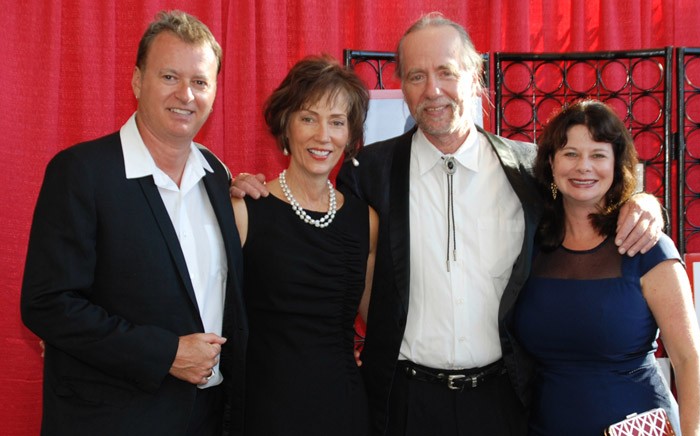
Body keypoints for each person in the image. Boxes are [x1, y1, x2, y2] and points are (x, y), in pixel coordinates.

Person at [231, 12, 665, 436]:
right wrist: (247, 190)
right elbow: (312, 227)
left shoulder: (528, 170)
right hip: (403, 402)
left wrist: (643, 202)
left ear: (475, 76)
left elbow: (592, 193)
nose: (432, 89)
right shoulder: (370, 172)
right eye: (416, 76)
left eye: (446, 71)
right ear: (401, 87)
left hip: (504, 401)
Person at [20, 10, 247, 436]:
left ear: (214, 92)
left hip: (207, 419)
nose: (186, 94)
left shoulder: (218, 177)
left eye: (200, 81)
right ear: (138, 81)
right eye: (169, 77)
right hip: (110, 420)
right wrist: (166, 353)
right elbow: (47, 304)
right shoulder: (82, 172)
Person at [513, 100, 700, 436]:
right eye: (570, 153)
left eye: (598, 154)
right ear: (551, 162)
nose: (583, 166)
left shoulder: (648, 247)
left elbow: (689, 362)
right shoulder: (531, 246)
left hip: (639, 428)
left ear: (617, 164)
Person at [231, 55, 377, 435]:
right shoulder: (245, 210)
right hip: (265, 410)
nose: (322, 136)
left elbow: (382, 320)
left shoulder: (365, 221)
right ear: (285, 125)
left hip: (343, 408)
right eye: (308, 118)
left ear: (351, 134)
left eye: (337, 122)